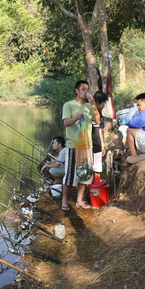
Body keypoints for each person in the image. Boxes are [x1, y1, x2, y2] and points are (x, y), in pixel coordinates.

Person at [61, 80, 101, 210]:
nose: (86, 92)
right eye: (83, 89)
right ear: (76, 91)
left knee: (85, 174)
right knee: (70, 175)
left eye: (87, 89)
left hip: (87, 145)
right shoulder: (68, 105)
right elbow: (66, 123)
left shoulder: (89, 106)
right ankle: (64, 201)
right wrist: (75, 118)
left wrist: (93, 104)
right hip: (74, 145)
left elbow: (98, 120)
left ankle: (79, 200)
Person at [92, 91, 108, 180]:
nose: (103, 107)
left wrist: (102, 145)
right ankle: (89, 190)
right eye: (103, 104)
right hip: (87, 145)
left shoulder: (99, 114)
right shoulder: (86, 111)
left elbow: (100, 129)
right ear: (97, 102)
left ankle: (96, 188)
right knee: (87, 169)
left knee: (97, 169)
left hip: (97, 144)